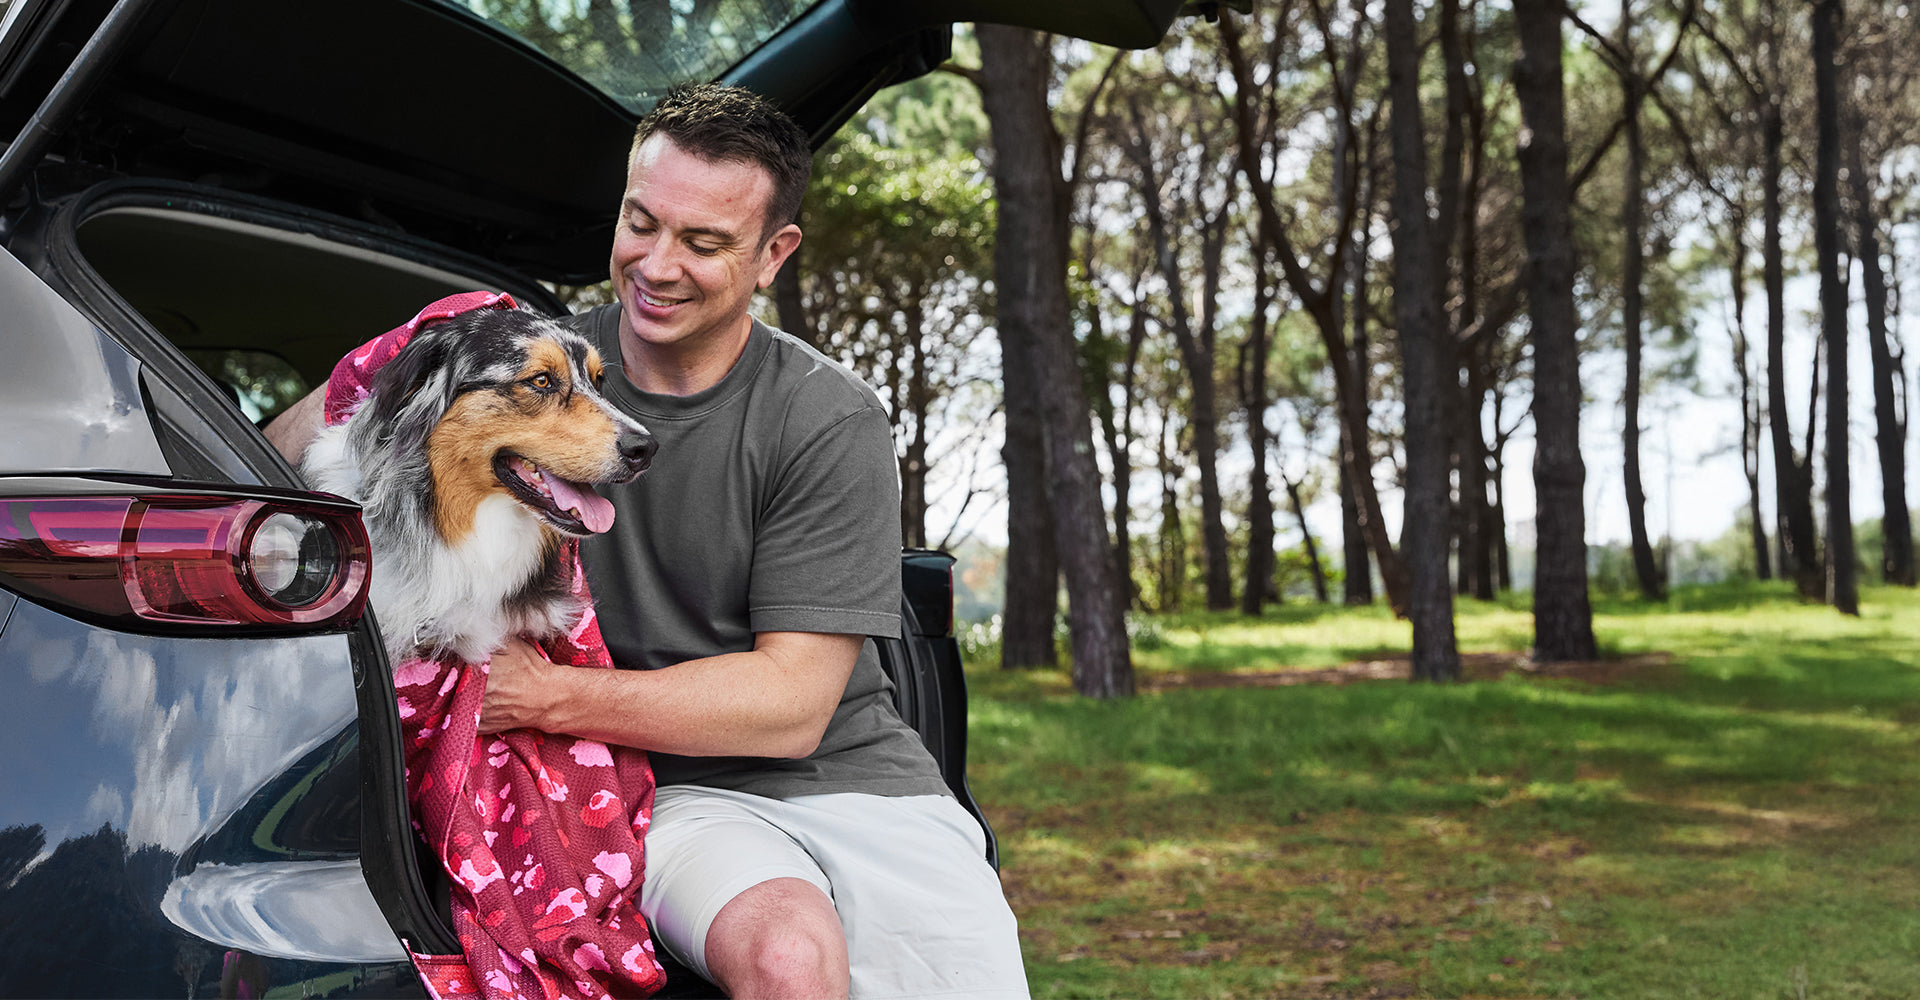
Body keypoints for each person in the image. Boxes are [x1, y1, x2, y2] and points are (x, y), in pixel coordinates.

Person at [269, 84, 1028, 1000]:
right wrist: (352, 392)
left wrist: (549, 696)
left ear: (772, 254)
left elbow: (790, 706)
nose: (657, 265)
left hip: (856, 780)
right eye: (641, 223)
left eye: (704, 243)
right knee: (791, 960)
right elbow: (305, 446)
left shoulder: (827, 417)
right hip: (654, 789)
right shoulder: (523, 355)